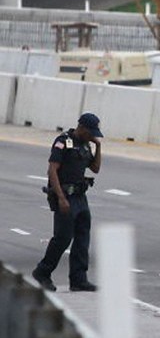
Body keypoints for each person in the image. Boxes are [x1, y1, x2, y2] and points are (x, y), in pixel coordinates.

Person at [31, 113, 104, 292]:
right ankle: (42, 272)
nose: (92, 136)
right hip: (65, 196)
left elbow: (95, 169)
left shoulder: (86, 144)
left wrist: (98, 146)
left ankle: (78, 279)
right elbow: (52, 171)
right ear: (82, 128)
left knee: (82, 237)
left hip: (80, 197)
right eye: (91, 132)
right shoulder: (63, 141)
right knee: (63, 238)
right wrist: (61, 198)